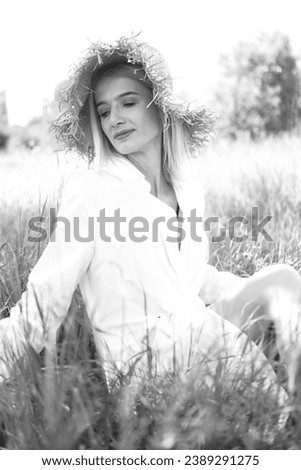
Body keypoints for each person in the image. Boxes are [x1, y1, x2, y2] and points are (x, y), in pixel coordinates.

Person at [0, 35, 300, 402]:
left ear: (160, 108)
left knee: (282, 279)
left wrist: (247, 289)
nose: (115, 119)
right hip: (144, 367)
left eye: (128, 102)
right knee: (230, 343)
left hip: (196, 334)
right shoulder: (92, 192)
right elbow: (46, 298)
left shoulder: (188, 189)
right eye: (105, 111)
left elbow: (188, 276)